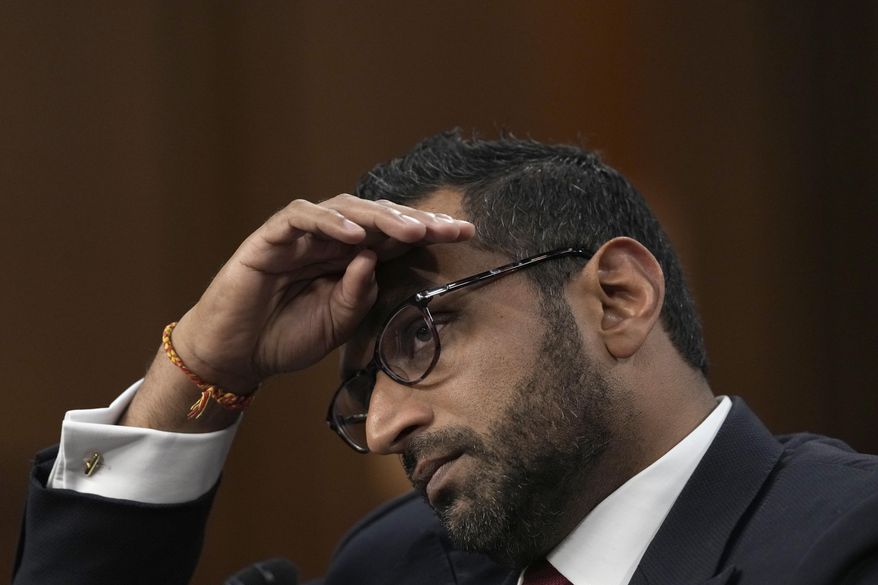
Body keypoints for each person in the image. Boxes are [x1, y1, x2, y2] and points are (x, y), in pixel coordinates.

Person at [13, 131, 878, 585]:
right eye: (361, 387)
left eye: (418, 335)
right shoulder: (396, 564)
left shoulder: (844, 543)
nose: (384, 425)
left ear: (616, 297)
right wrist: (201, 364)